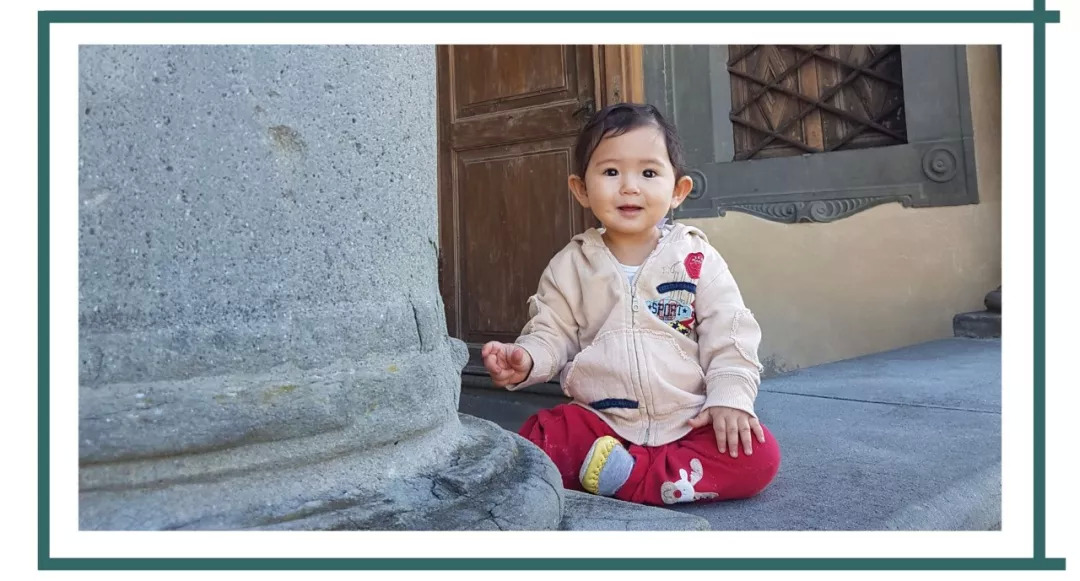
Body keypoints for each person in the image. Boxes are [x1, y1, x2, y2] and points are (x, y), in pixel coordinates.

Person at [482, 103, 780, 506]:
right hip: (602, 425)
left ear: (678, 191)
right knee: (540, 437)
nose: (629, 187)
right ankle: (657, 479)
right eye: (610, 172)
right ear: (581, 189)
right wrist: (528, 358)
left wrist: (729, 398)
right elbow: (552, 331)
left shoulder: (696, 259)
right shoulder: (571, 265)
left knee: (758, 455)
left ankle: (624, 477)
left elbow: (730, 334)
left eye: (649, 173)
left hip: (687, 419)